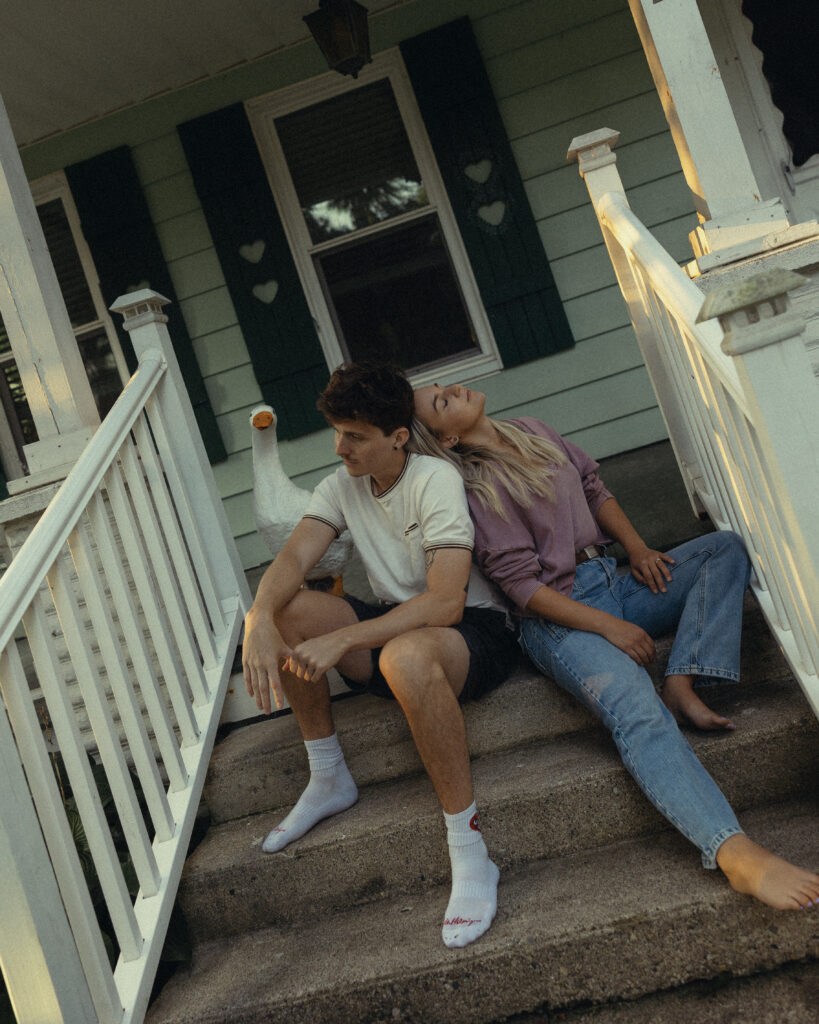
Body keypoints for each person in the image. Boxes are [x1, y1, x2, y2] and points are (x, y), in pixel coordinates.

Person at [412, 381, 819, 912]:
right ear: (445, 438)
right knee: (636, 710)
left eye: (444, 387)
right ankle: (734, 853)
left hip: (611, 579)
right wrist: (609, 628)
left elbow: (594, 490)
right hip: (559, 618)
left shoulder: (531, 431)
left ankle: (682, 676)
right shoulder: (474, 488)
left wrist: (638, 548)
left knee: (723, 550)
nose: (453, 389)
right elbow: (524, 590)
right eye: (442, 401)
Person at [242, 363, 519, 948]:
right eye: (337, 432)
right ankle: (328, 775)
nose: (340, 448)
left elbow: (445, 602)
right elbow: (292, 561)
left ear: (397, 436)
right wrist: (259, 619)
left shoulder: (433, 480)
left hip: (470, 633)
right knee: (291, 609)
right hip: (394, 629)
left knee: (406, 659)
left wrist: (346, 639)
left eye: (355, 436)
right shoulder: (341, 483)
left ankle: (471, 854)